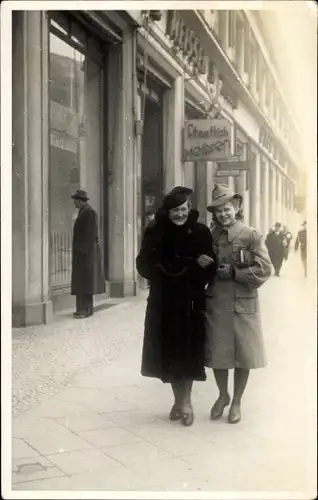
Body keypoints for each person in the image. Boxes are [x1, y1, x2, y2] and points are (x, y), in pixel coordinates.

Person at [136, 188, 215, 426]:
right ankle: (178, 400)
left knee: (188, 352)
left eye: (183, 209)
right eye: (175, 211)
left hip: (190, 299)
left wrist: (206, 264)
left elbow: (210, 265)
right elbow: (142, 263)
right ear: (167, 212)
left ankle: (186, 402)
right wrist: (159, 271)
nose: (180, 214)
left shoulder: (200, 231)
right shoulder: (155, 231)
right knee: (169, 353)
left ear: (188, 209)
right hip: (163, 300)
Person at [204, 184, 272, 424]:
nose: (223, 214)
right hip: (217, 302)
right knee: (217, 352)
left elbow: (265, 269)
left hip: (243, 302)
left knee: (243, 354)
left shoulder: (251, 235)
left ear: (237, 207)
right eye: (219, 210)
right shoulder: (210, 236)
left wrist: (235, 273)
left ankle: (237, 401)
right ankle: (222, 395)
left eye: (228, 209)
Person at [71, 189, 105, 318]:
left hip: (85, 254)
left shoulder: (88, 213)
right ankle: (85, 309)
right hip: (84, 253)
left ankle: (84, 310)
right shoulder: (85, 212)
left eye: (75, 200)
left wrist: (81, 251)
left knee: (84, 282)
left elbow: (89, 234)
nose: (74, 202)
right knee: (84, 282)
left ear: (80, 201)